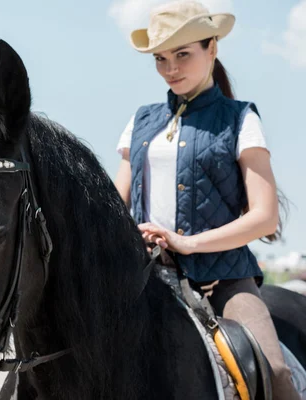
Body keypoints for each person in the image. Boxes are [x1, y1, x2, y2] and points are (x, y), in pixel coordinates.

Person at [113, 2, 299, 399]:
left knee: (276, 372)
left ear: (211, 49)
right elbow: (115, 206)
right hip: (148, 276)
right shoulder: (140, 121)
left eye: (183, 54)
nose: (170, 68)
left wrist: (188, 243)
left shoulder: (241, 119)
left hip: (225, 281)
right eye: (161, 59)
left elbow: (265, 218)